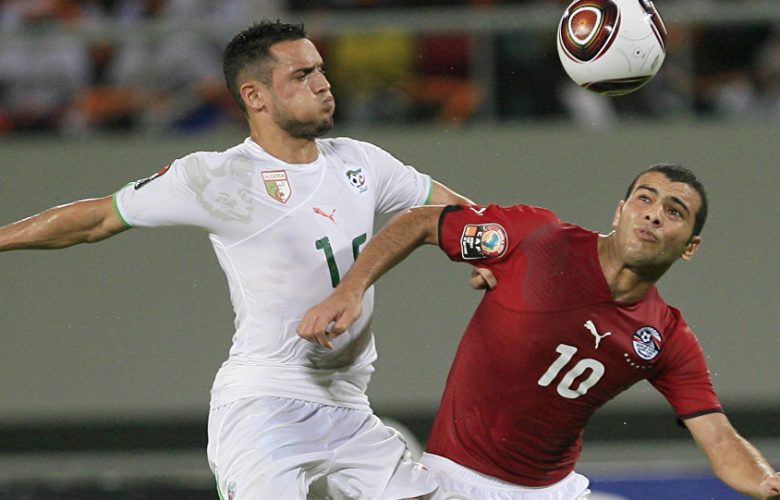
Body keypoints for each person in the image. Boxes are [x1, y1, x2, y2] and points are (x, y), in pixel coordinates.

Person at [0, 20, 475, 499]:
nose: (323, 84)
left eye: (320, 69)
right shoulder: (216, 177)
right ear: (255, 96)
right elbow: (97, 218)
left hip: (350, 408)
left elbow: (461, 215)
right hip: (266, 407)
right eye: (302, 74)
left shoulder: (361, 161)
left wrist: (488, 253)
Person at [298, 163, 780, 499]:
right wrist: (351, 289)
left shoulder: (667, 338)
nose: (654, 213)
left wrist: (766, 481)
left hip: (555, 491)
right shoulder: (536, 238)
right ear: (620, 212)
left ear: (690, 246)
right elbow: (423, 222)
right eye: (645, 198)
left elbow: (719, 439)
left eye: (675, 211)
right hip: (452, 481)